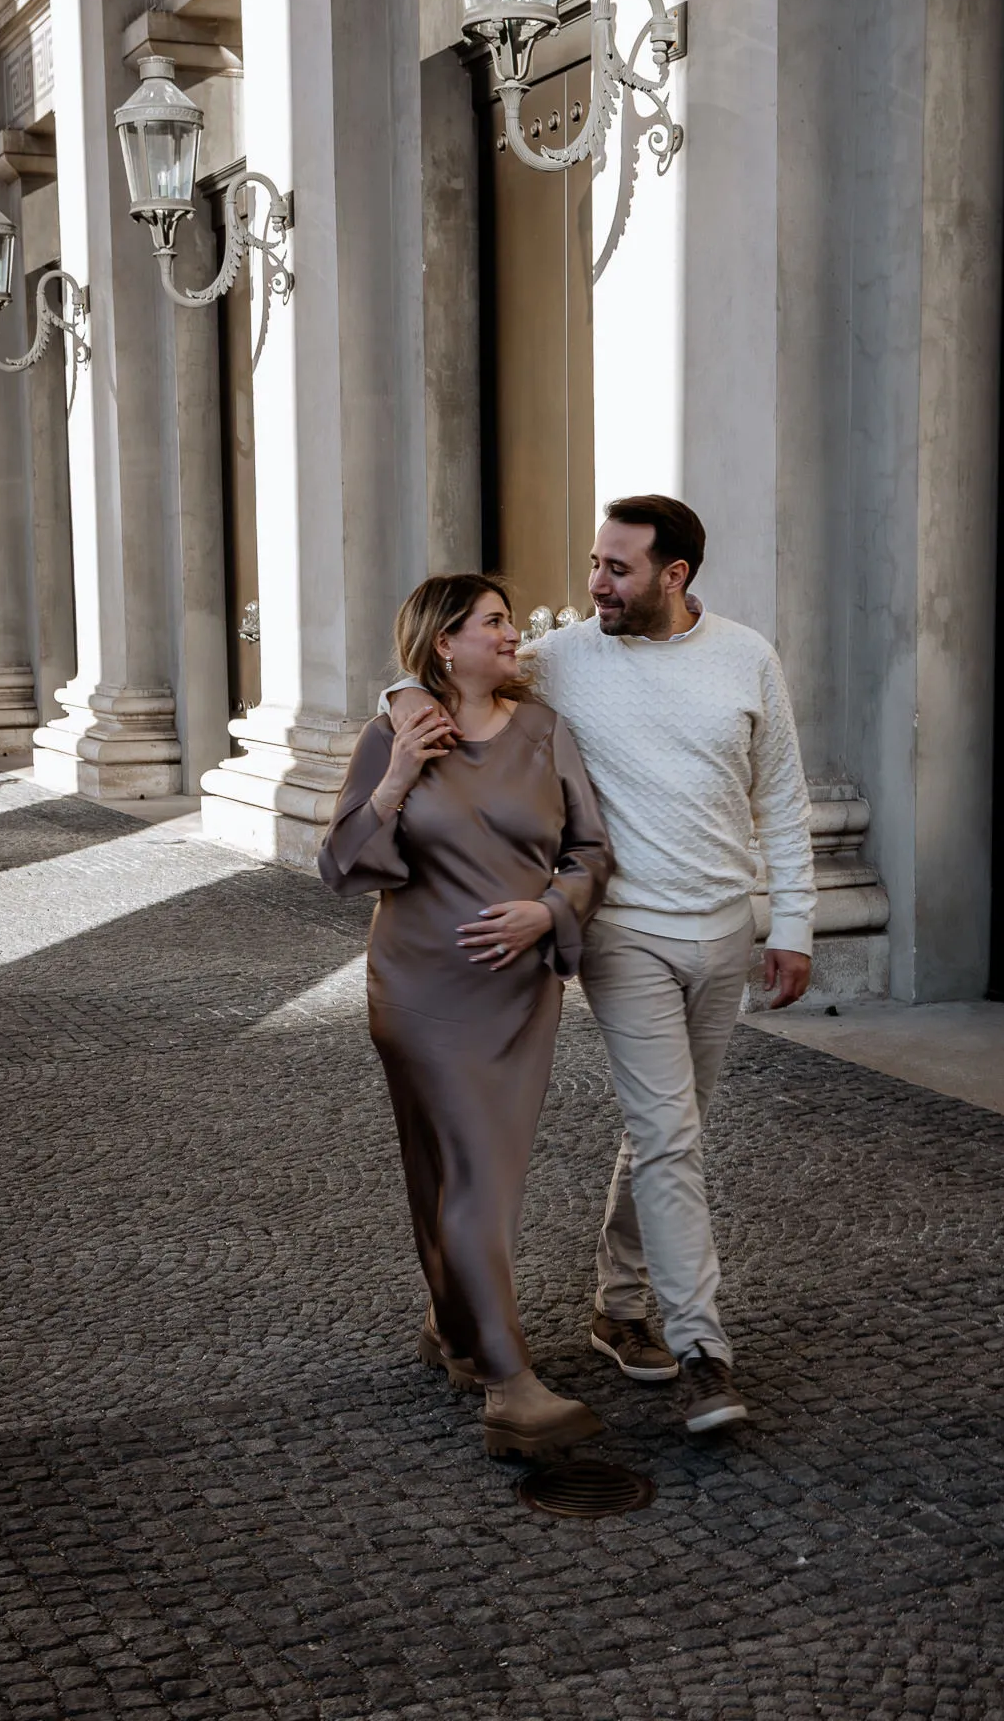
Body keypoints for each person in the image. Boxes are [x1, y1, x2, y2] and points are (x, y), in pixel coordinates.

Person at [388, 498, 816, 1434]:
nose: (594, 586)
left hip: (723, 930)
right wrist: (401, 698)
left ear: (676, 576)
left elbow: (780, 795)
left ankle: (618, 1307)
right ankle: (705, 1352)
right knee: (669, 1136)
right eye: (592, 563)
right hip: (622, 933)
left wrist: (794, 924)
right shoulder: (565, 658)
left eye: (617, 569)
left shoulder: (747, 657)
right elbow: (446, 666)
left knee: (673, 1131)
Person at [319, 574, 613, 1458]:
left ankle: (450, 1327)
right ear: (444, 642)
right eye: (493, 622)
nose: (513, 633)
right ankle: (509, 1387)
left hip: (520, 993)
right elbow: (339, 862)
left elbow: (591, 849)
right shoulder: (393, 734)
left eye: (510, 621)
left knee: (455, 1173)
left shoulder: (542, 730)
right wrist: (399, 776)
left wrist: (551, 911)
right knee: (469, 1175)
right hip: (421, 990)